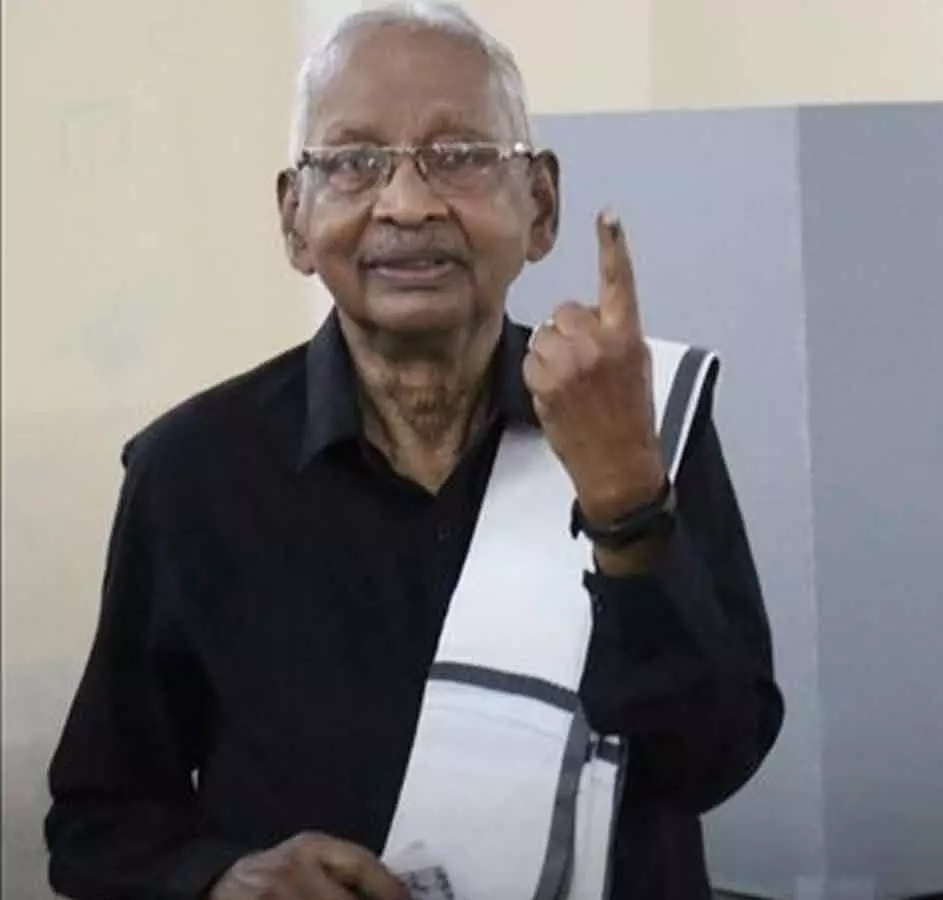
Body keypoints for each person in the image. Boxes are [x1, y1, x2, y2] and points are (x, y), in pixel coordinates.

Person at [43, 3, 783, 899]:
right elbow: (98, 823)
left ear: (541, 204)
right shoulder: (193, 472)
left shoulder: (633, 423)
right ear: (294, 218)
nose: (407, 204)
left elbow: (714, 759)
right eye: (353, 162)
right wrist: (219, 881)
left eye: (461, 155)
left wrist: (627, 504)